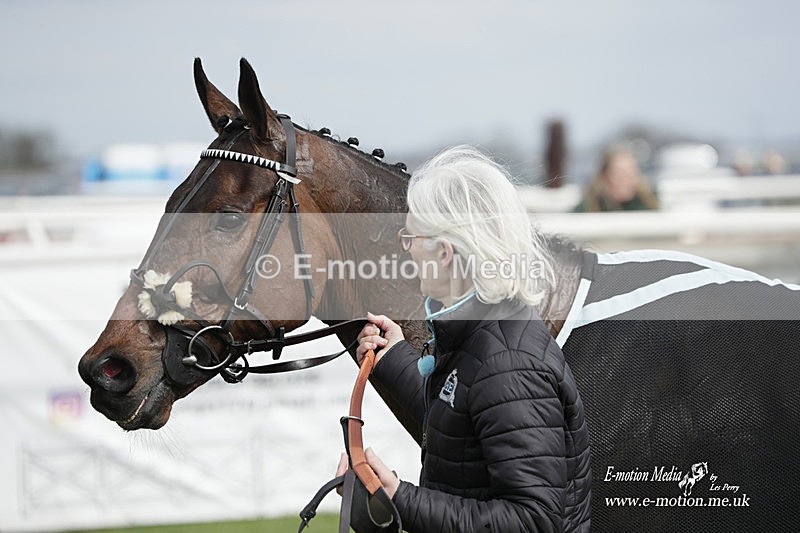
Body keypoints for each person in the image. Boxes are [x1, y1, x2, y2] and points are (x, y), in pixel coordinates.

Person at [339, 146, 592, 532]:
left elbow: (534, 521)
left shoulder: (509, 361)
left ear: (444, 252)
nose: (405, 250)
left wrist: (398, 497)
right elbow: (457, 428)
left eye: (410, 237)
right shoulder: (481, 332)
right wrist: (392, 358)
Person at [574, 146, 659, 212]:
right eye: (620, 173)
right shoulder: (589, 208)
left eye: (631, 174)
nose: (627, 180)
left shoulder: (650, 204)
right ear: (605, 176)